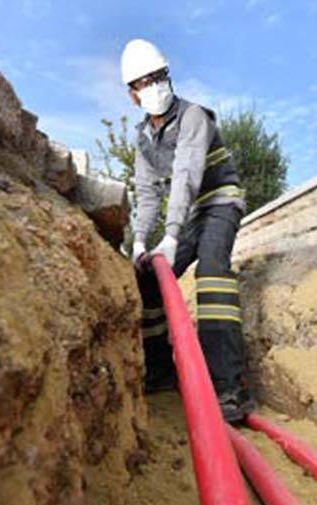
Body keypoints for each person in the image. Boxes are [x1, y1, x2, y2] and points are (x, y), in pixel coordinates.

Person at [121, 38, 254, 424]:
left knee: (212, 272)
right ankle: (161, 372)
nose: (155, 86)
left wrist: (172, 233)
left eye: (159, 76)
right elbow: (146, 194)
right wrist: (141, 241)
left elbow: (186, 174)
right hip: (194, 214)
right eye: (145, 81)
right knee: (148, 280)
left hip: (221, 202)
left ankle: (229, 387)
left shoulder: (194, 116)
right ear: (132, 94)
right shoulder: (143, 139)